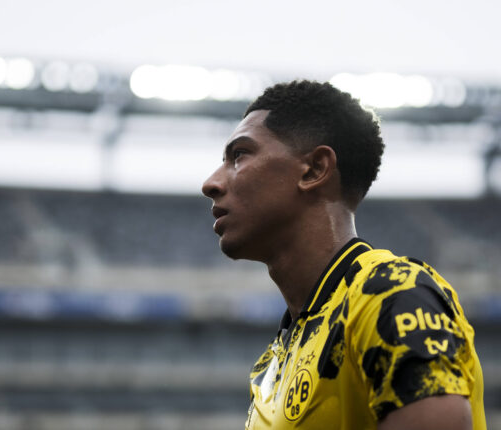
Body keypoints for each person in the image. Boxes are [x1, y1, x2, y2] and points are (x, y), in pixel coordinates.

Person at [201, 80, 485, 430]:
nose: (210, 183)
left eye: (239, 155)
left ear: (315, 169)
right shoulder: (272, 363)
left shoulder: (391, 295)